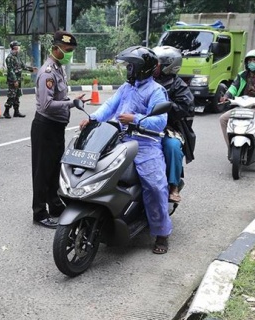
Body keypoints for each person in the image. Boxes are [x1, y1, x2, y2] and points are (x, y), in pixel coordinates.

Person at [79, 46, 173, 254]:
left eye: (131, 66)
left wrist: (136, 119)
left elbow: (160, 121)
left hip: (146, 143)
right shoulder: (126, 88)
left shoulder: (156, 90)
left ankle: (161, 233)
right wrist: (92, 119)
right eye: (128, 66)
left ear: (142, 68)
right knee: (97, 169)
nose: (129, 69)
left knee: (155, 186)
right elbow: (109, 106)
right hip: (119, 139)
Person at [31, 30, 85, 229]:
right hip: (45, 126)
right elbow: (46, 105)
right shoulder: (47, 72)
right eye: (68, 50)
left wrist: (70, 103)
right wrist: (71, 104)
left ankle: (54, 205)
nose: (70, 53)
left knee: (55, 169)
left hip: (56, 127)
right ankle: (39, 212)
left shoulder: (59, 68)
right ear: (56, 48)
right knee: (42, 172)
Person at [218, 49, 255, 175]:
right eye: (249, 60)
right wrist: (226, 96)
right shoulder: (242, 75)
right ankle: (231, 148)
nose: (252, 62)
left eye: (254, 60)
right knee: (223, 119)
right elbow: (233, 87)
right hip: (241, 104)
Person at [152, 46, 196, 203]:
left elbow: (186, 108)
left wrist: (166, 105)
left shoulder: (178, 85)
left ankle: (173, 186)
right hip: (141, 125)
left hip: (167, 128)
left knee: (172, 147)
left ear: (167, 65)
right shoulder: (145, 79)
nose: (152, 65)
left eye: (156, 62)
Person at [4, 40, 35, 118]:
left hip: (18, 79)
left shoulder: (17, 56)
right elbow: (10, 70)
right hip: (13, 80)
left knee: (17, 95)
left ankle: (16, 112)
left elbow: (23, 66)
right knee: (12, 95)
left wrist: (31, 69)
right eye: (18, 46)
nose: (19, 48)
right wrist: (15, 80)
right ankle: (6, 112)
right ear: (15, 47)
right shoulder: (10, 57)